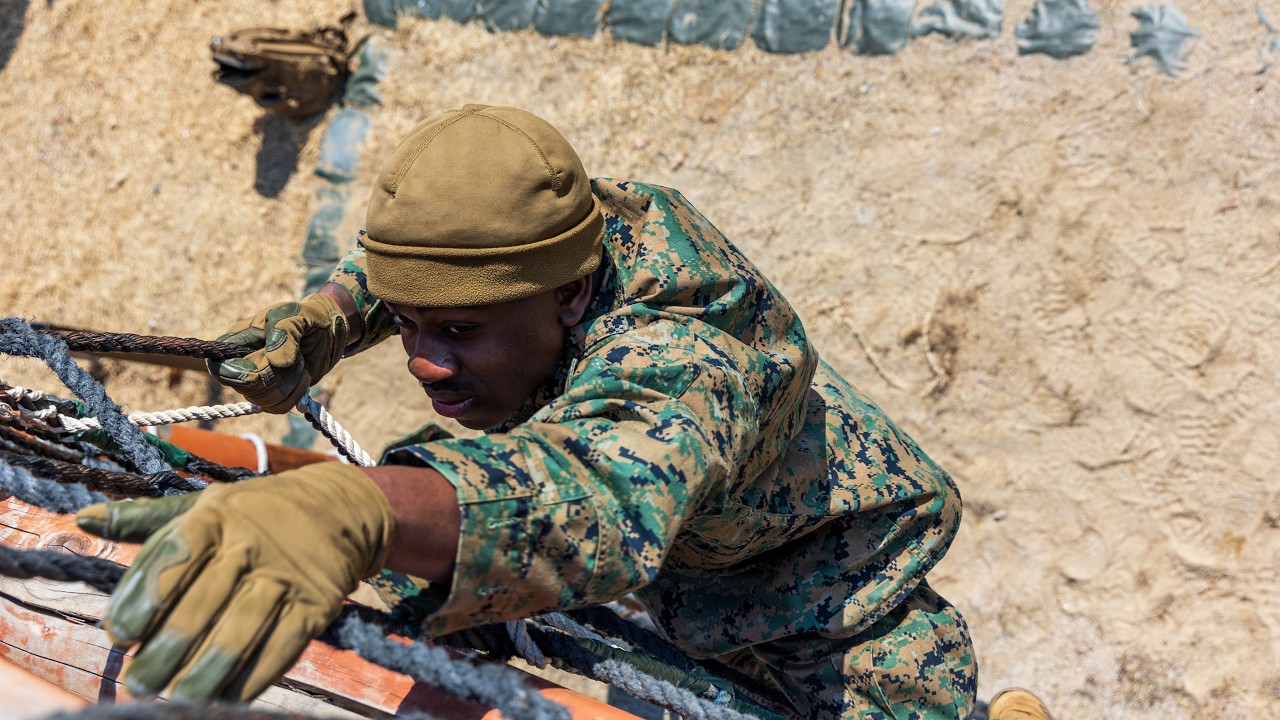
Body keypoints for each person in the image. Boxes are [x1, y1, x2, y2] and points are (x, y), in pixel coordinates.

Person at [75, 104, 1047, 719]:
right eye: (410, 326)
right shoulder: (561, 229)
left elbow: (588, 499)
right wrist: (323, 322)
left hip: (823, 585)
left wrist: (354, 511)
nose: (422, 359)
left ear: (572, 298)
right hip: (687, 549)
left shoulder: (682, 356)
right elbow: (418, 267)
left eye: (457, 333)